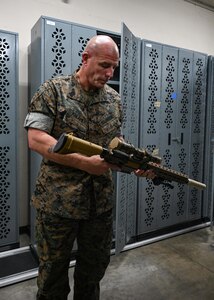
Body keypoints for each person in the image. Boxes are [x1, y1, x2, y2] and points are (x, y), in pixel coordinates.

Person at [24, 35, 153, 300]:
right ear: (85, 59)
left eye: (113, 68)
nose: (109, 73)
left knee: (92, 273)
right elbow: (36, 139)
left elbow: (114, 146)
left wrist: (134, 165)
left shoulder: (114, 100)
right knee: (52, 276)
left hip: (99, 206)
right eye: (104, 65)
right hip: (58, 203)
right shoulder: (53, 90)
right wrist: (84, 163)